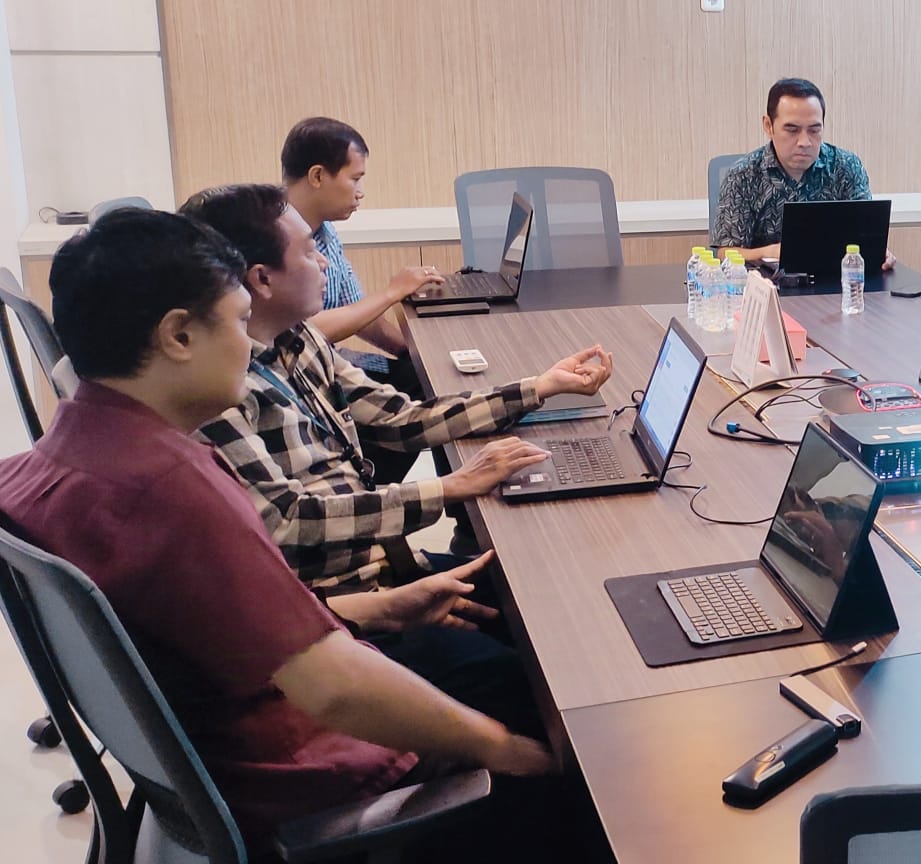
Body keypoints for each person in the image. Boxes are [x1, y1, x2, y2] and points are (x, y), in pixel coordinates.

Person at [0, 208, 556, 853]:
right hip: (304, 781)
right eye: (239, 322)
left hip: (216, 766)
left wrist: (377, 607)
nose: (251, 345)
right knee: (556, 727)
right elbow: (336, 690)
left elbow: (213, 628)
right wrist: (508, 750)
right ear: (179, 336)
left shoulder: (40, 469)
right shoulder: (171, 484)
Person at [179, 183, 613, 595]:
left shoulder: (299, 338)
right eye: (310, 253)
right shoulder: (219, 393)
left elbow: (401, 419)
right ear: (262, 279)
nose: (324, 263)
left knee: (549, 578)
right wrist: (451, 486)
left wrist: (539, 387)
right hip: (349, 600)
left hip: (387, 567)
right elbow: (291, 519)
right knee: (547, 596)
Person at [281, 116, 441, 485]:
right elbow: (299, 334)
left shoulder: (325, 229)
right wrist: (392, 292)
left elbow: (361, 314)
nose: (360, 191)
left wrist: (419, 352)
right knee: (416, 400)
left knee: (425, 375)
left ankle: (381, 488)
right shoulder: (275, 238)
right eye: (355, 179)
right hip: (304, 377)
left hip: (332, 361)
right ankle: (366, 488)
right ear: (318, 176)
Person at [713, 77, 894, 269]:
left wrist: (878, 252)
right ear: (768, 126)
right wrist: (769, 252)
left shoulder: (846, 167)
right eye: (792, 130)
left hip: (836, 279)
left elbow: (866, 236)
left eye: (814, 131)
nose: (804, 142)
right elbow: (726, 253)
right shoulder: (743, 175)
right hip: (765, 281)